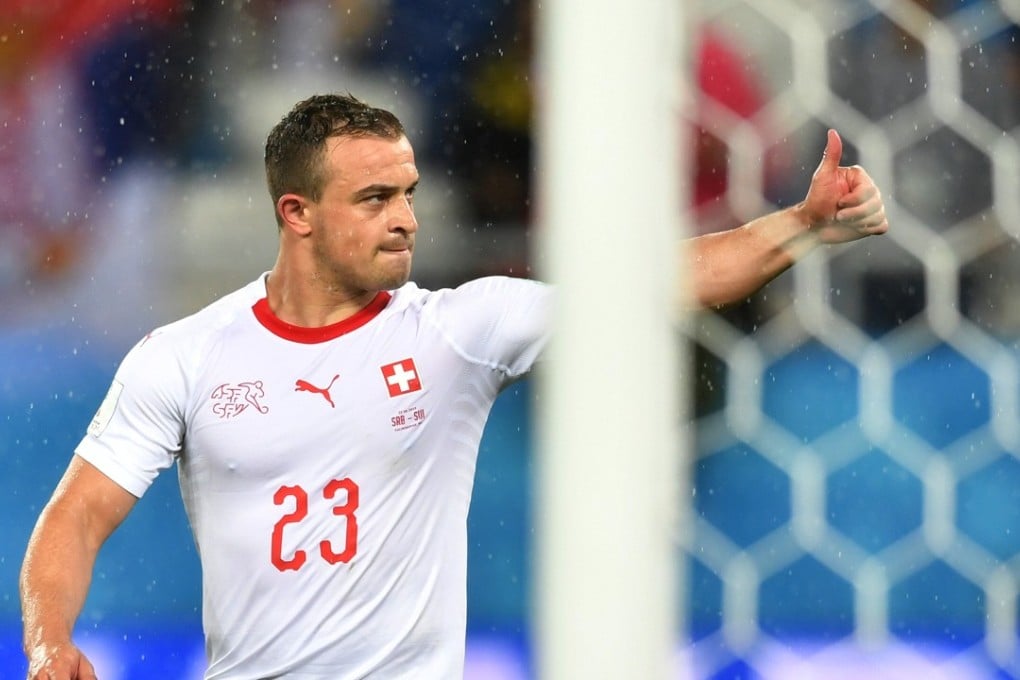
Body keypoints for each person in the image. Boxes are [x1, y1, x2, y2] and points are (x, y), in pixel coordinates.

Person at [19, 92, 888, 680]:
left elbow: (661, 280)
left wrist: (804, 225)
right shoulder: (184, 356)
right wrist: (49, 643)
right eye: (373, 198)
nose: (407, 217)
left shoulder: (460, 331)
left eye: (409, 192)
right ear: (297, 215)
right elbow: (77, 514)